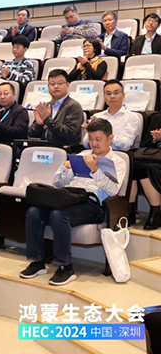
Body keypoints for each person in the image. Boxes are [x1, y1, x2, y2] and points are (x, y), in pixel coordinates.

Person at [20, 118, 126, 286]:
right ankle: (37, 261)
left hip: (92, 203)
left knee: (58, 215)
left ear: (110, 138)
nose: (94, 143)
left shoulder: (118, 162)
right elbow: (57, 183)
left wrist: (95, 170)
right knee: (34, 212)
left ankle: (65, 267)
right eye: (90, 139)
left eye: (98, 139)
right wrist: (65, 167)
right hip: (69, 197)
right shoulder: (82, 155)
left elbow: (113, 190)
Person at [28, 69, 83, 146]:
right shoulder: (45, 106)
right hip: (43, 147)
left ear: (67, 85)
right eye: (52, 84)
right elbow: (32, 135)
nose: (56, 86)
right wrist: (39, 124)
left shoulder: (74, 106)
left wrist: (47, 120)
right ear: (48, 86)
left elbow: (69, 134)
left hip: (63, 149)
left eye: (60, 83)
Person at [82, 80, 140, 150]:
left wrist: (104, 132)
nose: (112, 96)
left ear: (123, 95)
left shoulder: (132, 117)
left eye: (116, 93)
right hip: (95, 152)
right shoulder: (97, 116)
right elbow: (85, 144)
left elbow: (126, 144)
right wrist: (90, 132)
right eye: (108, 93)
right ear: (104, 97)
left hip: (118, 153)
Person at [130, 114, 161, 230]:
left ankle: (155, 211)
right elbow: (144, 143)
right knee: (134, 167)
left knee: (150, 169)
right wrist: (155, 139)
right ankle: (130, 210)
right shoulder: (156, 118)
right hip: (153, 158)